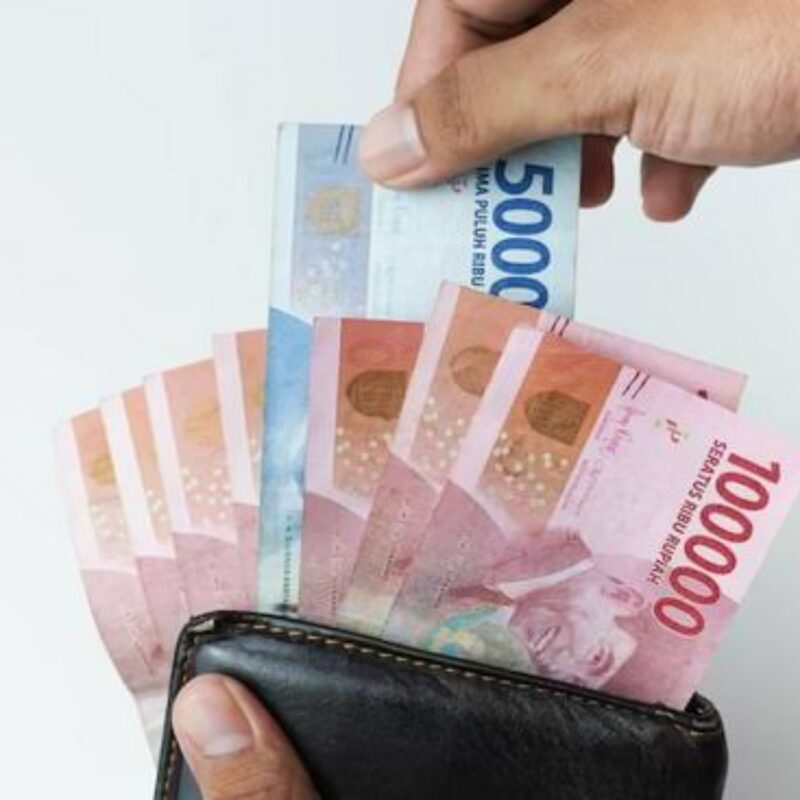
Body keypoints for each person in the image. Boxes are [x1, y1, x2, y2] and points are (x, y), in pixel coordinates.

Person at [173, 1, 800, 796]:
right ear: (613, 591)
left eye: (596, 663)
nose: (587, 661)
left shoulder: (496, 538)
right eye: (601, 653)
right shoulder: (509, 533)